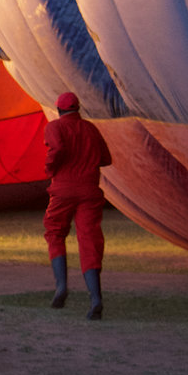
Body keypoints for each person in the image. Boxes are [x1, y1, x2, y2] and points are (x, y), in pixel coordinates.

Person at [43, 92, 112, 320]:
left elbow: (58, 149)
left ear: (59, 110)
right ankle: (95, 298)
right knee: (89, 239)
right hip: (89, 190)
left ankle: (61, 286)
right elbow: (106, 158)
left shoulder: (54, 127)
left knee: (55, 232)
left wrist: (51, 168)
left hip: (63, 188)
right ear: (78, 108)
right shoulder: (90, 129)